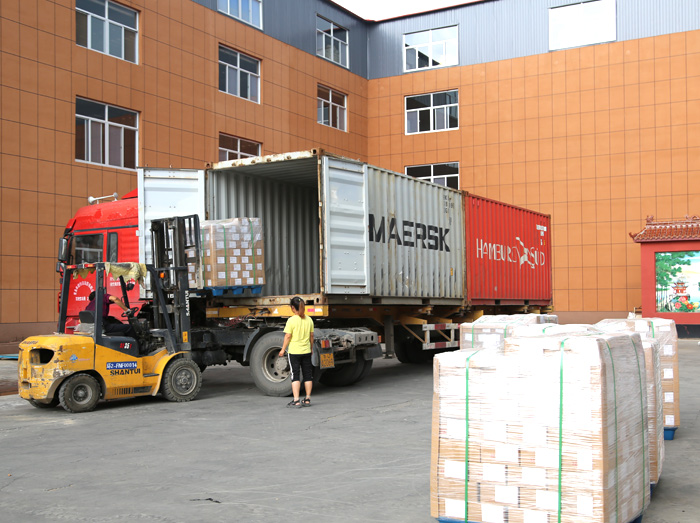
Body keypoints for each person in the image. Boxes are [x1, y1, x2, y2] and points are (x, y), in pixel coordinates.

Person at [279, 296, 314, 408]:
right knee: (308, 375)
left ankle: (296, 400)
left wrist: (283, 349)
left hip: (294, 352)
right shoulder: (309, 320)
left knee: (295, 375)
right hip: (306, 351)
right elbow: (311, 336)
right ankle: (307, 399)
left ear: (293, 308)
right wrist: (311, 348)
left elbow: (288, 336)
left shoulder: (291, 320)